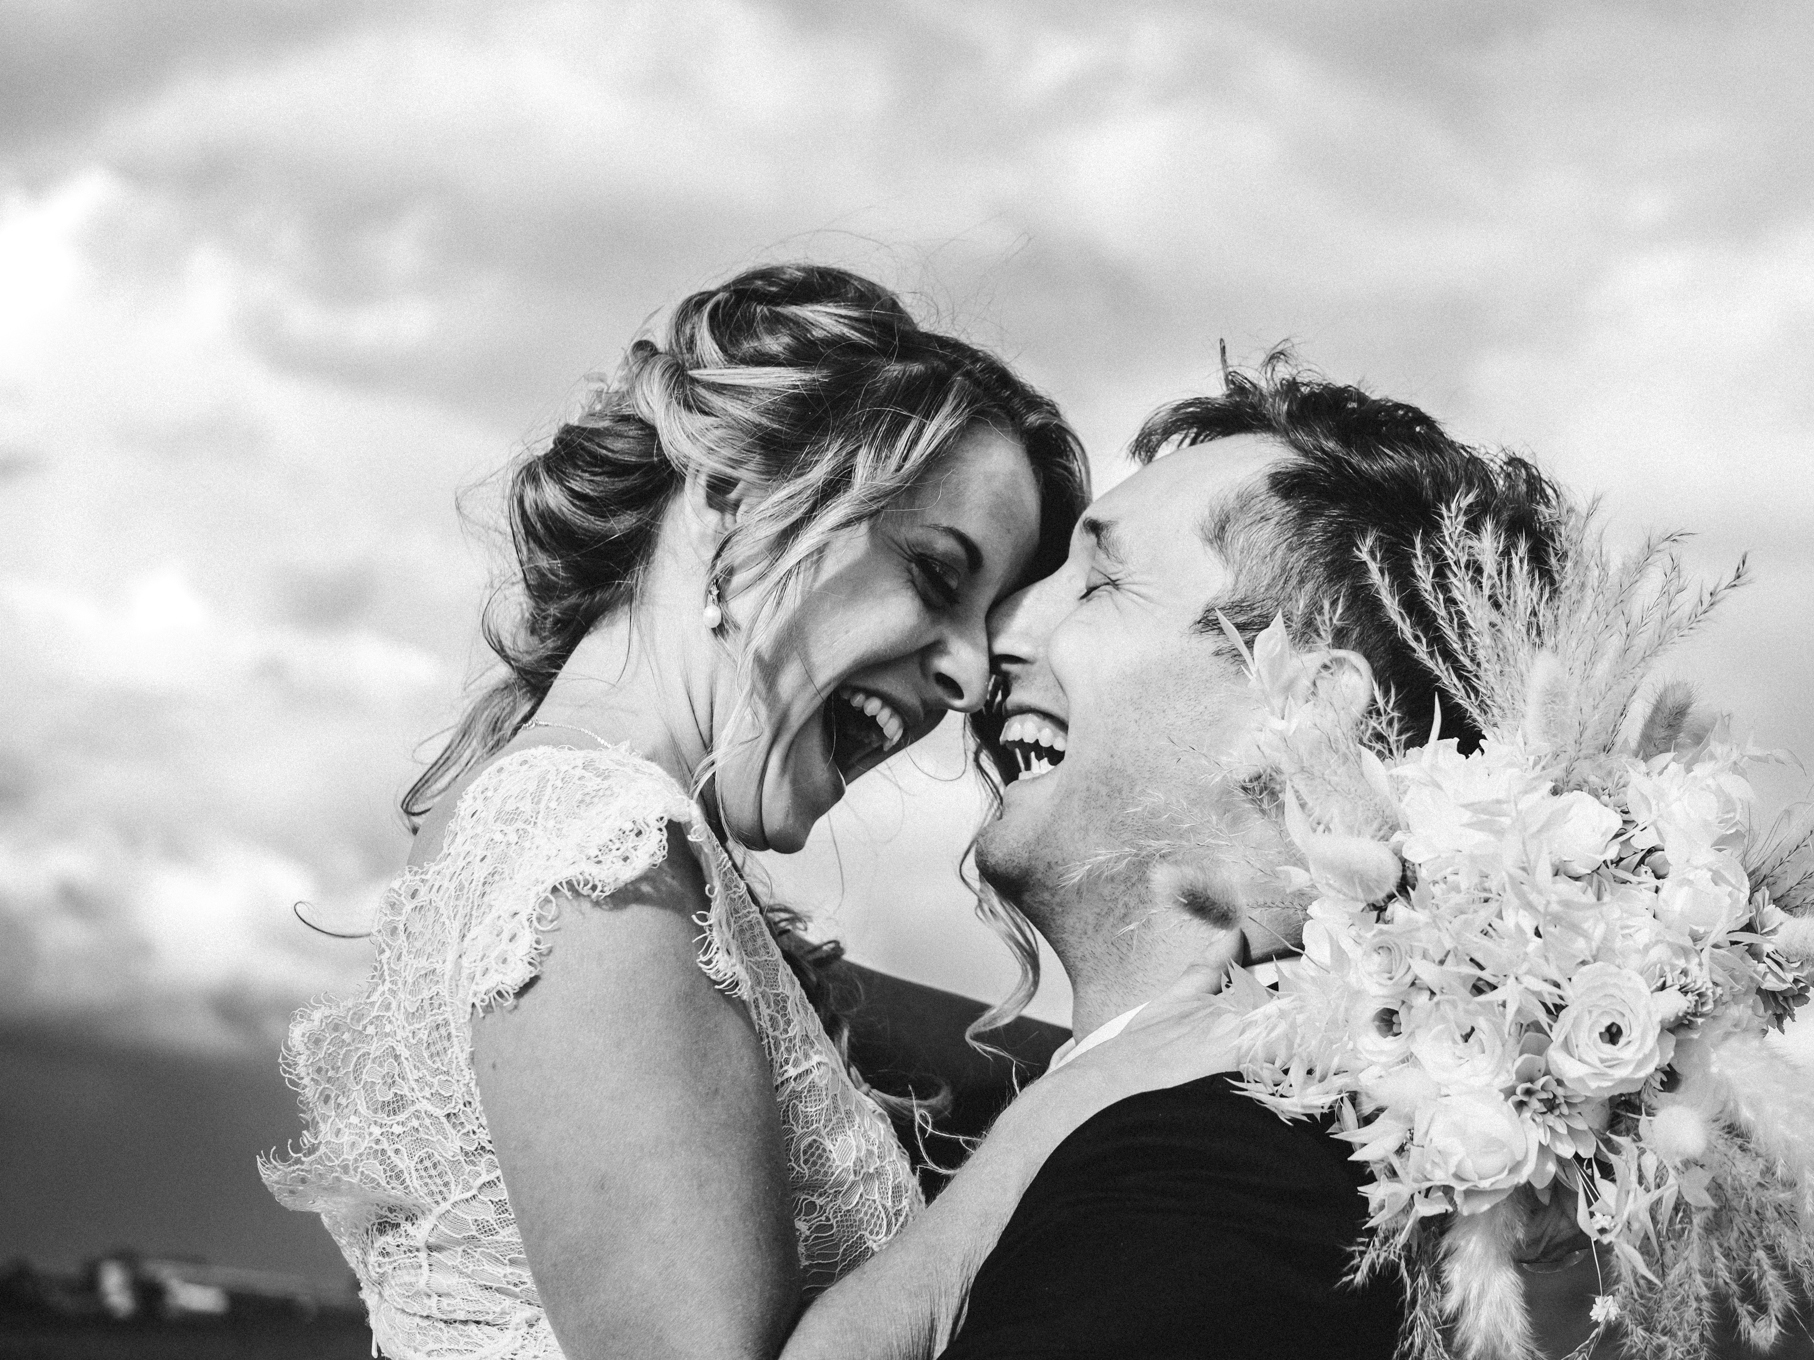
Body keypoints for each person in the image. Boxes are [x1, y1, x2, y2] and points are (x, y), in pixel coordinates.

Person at [259, 264, 1240, 1360]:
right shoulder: (594, 858)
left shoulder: (600, 848)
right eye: (934, 573)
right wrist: (1061, 1122)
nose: (971, 677)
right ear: (735, 488)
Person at [945, 353, 1581, 1358]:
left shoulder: (1234, 1191)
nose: (999, 630)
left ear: (1306, 711)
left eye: (1098, 583)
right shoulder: (1125, 1137)